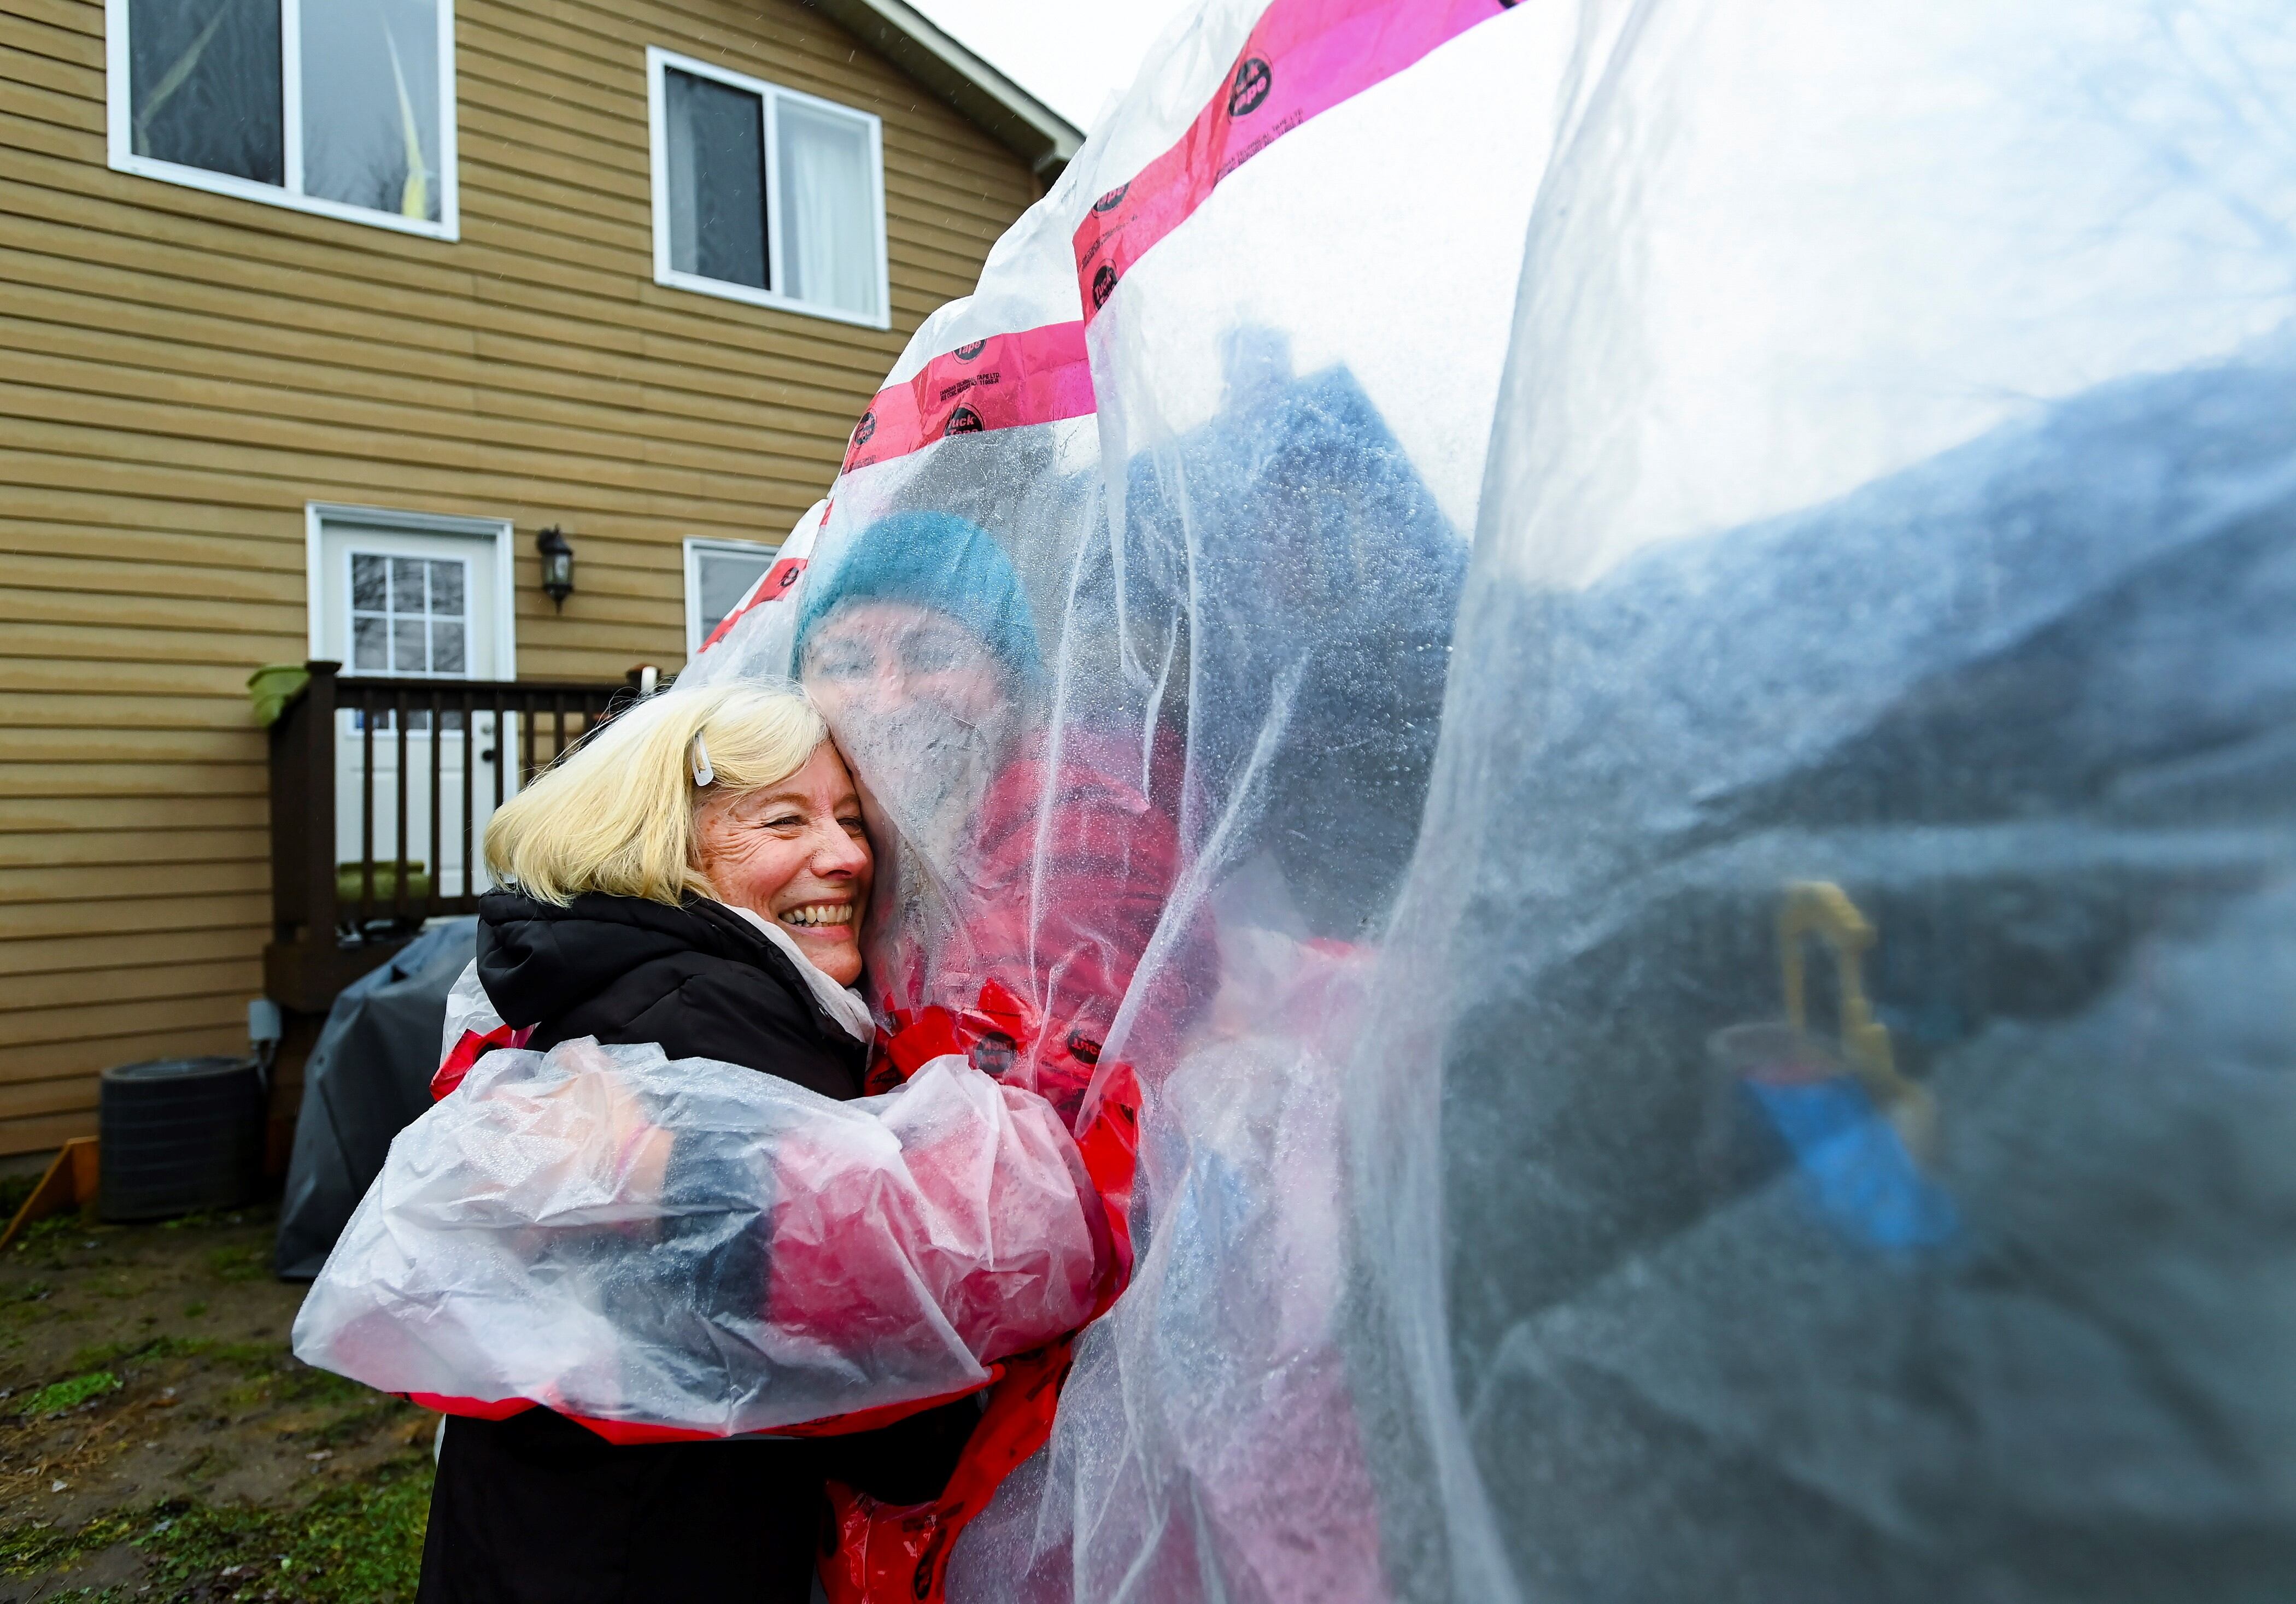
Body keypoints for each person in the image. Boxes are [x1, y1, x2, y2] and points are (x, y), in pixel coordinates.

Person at [415, 683, 985, 1604]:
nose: (844, 857)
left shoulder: (603, 980)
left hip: (538, 1529)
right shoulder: (722, 1032)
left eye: (850, 819)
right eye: (784, 821)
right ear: (666, 846)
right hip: (652, 1554)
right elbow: (885, 1400)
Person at [796, 510, 1194, 1125]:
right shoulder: (852, 841)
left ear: (1011, 680)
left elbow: (1027, 1136)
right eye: (847, 663)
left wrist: (704, 1168)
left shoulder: (1085, 837)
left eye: (934, 654)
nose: (889, 696)